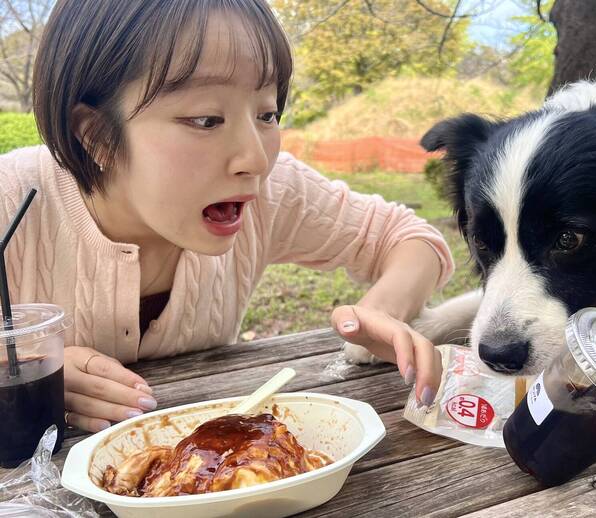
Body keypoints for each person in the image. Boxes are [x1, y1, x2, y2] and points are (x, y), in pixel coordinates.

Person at [0, 0, 453, 433]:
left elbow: (410, 238)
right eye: (206, 119)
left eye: (267, 113)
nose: (255, 159)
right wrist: (21, 368)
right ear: (95, 136)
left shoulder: (269, 191)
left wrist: (379, 312)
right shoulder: (12, 198)